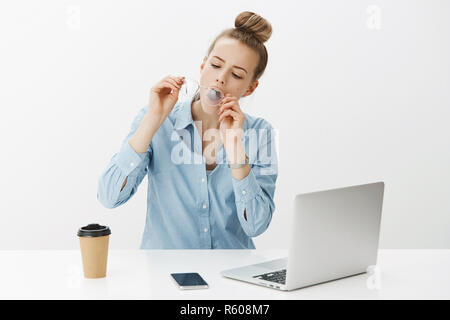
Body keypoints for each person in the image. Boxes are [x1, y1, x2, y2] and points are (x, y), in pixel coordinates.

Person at [97, 11, 278, 249]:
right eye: (215, 65)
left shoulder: (259, 133)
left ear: (250, 88)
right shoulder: (157, 120)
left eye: (236, 75)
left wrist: (235, 149)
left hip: (230, 279)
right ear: (203, 65)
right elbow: (109, 197)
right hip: (165, 276)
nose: (220, 79)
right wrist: (153, 119)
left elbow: (256, 225)